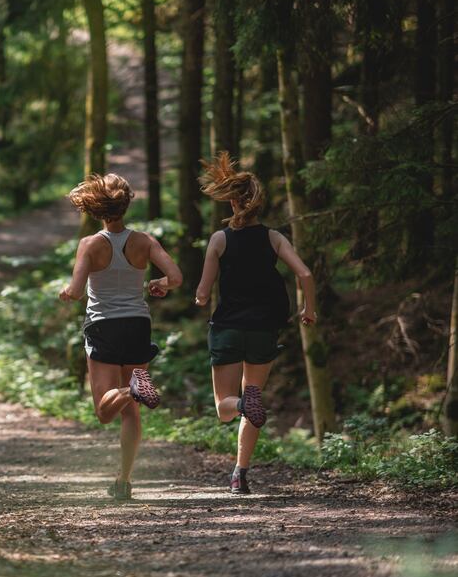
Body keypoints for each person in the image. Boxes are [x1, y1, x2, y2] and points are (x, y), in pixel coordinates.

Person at [194, 152, 317, 494]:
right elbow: (305, 273)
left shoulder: (220, 240)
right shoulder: (274, 238)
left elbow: (203, 293)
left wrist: (199, 298)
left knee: (225, 408)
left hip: (228, 329)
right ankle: (239, 475)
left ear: (232, 201)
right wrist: (309, 309)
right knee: (254, 398)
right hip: (264, 330)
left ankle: (245, 409)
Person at [59, 174, 182, 500]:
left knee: (104, 411)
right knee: (131, 411)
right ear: (126, 205)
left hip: (104, 327)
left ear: (98, 208)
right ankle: (124, 481)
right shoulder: (144, 241)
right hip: (137, 324)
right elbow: (176, 276)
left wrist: (66, 292)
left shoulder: (90, 245)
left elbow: (75, 290)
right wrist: (161, 285)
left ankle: (132, 389)